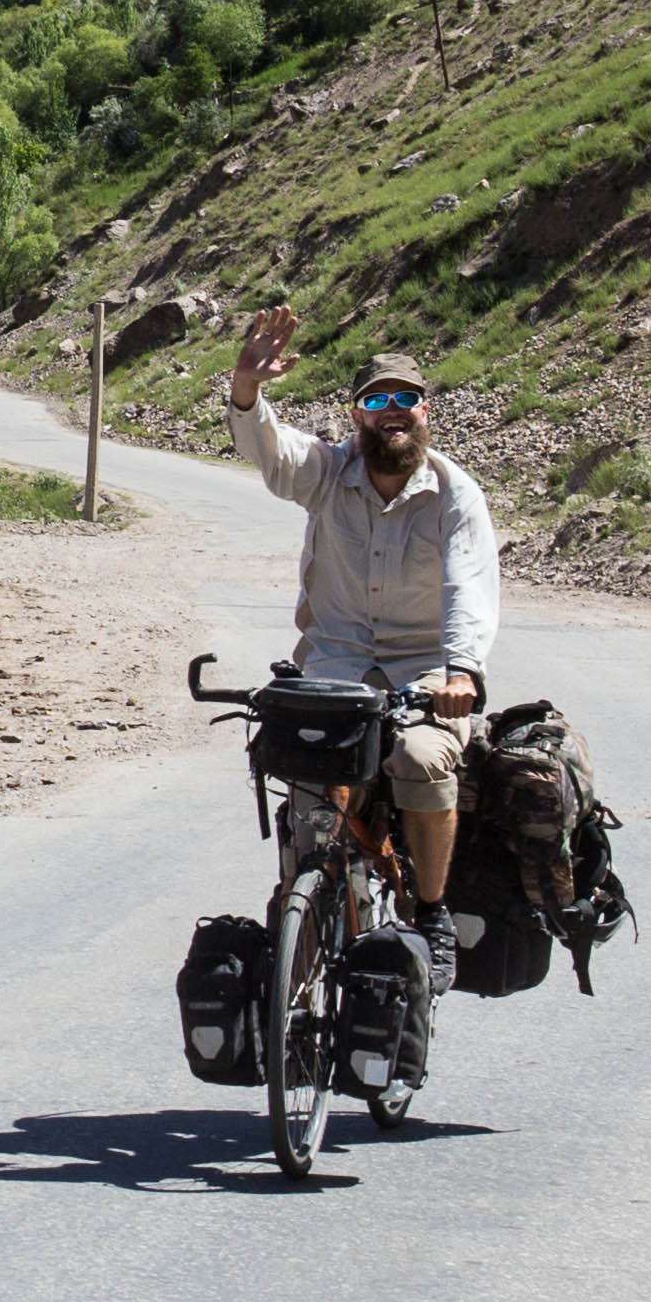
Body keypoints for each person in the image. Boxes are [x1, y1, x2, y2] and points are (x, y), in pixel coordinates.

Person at [228, 307, 502, 988]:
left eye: (404, 398)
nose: (392, 412)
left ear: (425, 409)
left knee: (420, 756)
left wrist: (462, 671)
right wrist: (245, 390)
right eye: (376, 400)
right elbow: (273, 452)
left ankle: (433, 914)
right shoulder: (329, 473)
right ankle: (307, 906)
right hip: (336, 670)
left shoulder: (455, 496)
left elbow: (468, 586)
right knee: (311, 778)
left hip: (424, 672)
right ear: (356, 415)